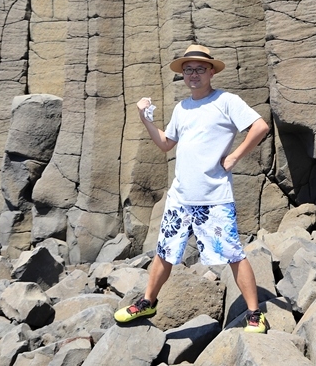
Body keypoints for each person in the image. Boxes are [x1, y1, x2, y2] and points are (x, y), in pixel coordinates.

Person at [114, 44, 272, 333]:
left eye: (200, 68)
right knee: (164, 251)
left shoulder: (226, 101)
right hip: (180, 197)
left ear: (212, 71)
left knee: (233, 254)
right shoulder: (182, 108)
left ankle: (254, 313)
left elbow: (260, 127)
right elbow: (165, 143)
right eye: (189, 69)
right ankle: (148, 301)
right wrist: (145, 119)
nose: (194, 74)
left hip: (213, 197)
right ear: (183, 74)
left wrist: (235, 156)